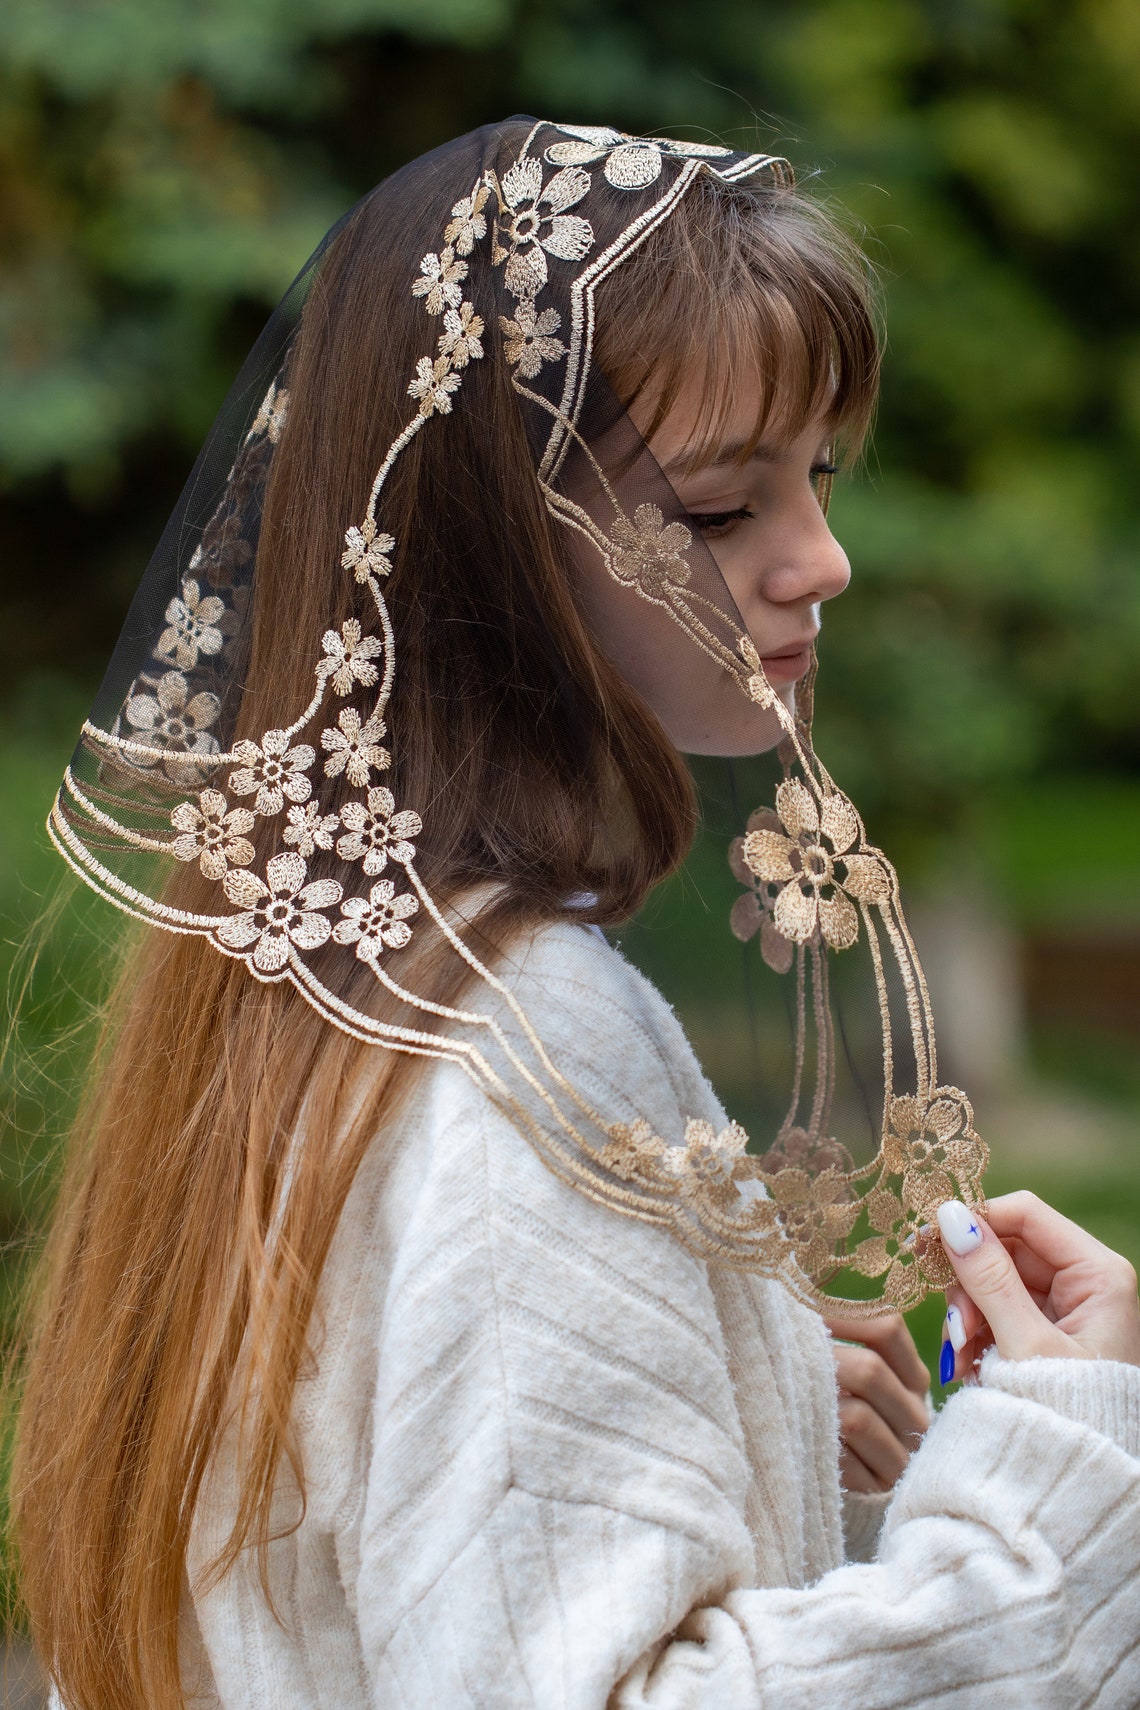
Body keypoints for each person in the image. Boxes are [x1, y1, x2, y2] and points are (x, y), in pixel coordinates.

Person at [10, 116, 1140, 1710]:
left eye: (817, 475)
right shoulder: (526, 1040)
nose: (822, 559)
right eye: (722, 508)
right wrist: (1061, 1477)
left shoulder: (322, 977)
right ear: (489, 543)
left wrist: (736, 1404)